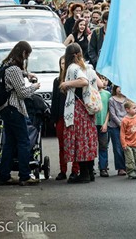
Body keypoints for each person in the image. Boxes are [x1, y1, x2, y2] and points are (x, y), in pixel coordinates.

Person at [0, 41, 41, 186]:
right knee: (23, 141)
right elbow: (22, 93)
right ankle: (24, 175)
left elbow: (15, 77)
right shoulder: (14, 69)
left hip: (5, 109)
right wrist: (34, 86)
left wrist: (27, 74)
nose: (27, 58)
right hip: (14, 108)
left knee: (9, 142)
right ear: (23, 53)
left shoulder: (6, 65)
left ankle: (4, 175)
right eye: (27, 55)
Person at [59, 43, 102, 184]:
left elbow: (83, 81)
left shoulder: (73, 68)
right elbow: (100, 85)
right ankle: (90, 171)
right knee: (88, 139)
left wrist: (67, 84)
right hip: (88, 107)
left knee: (80, 139)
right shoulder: (88, 68)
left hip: (78, 108)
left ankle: (83, 174)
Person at [51, 55, 80, 181]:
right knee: (62, 145)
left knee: (74, 144)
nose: (64, 66)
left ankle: (75, 170)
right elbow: (55, 101)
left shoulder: (74, 80)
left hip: (72, 116)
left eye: (65, 63)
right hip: (61, 117)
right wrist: (54, 119)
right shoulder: (57, 81)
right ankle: (63, 170)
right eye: (61, 64)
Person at [107, 85, 128, 176]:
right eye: (118, 87)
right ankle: (121, 168)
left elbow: (130, 111)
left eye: (122, 87)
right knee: (117, 147)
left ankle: (128, 165)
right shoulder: (111, 100)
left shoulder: (127, 99)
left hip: (127, 125)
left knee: (127, 146)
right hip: (115, 126)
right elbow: (112, 114)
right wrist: (120, 124)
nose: (120, 89)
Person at [120, 100, 136, 179]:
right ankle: (131, 172)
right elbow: (122, 133)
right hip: (128, 143)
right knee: (130, 159)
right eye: (134, 108)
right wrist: (124, 144)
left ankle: (133, 167)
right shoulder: (125, 120)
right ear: (127, 110)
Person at [95, 74, 112, 178]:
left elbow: (109, 110)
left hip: (103, 123)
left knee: (103, 146)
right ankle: (90, 167)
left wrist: (106, 123)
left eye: (105, 79)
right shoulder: (91, 93)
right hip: (93, 123)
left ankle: (103, 167)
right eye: (101, 79)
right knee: (91, 146)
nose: (104, 82)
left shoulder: (107, 94)